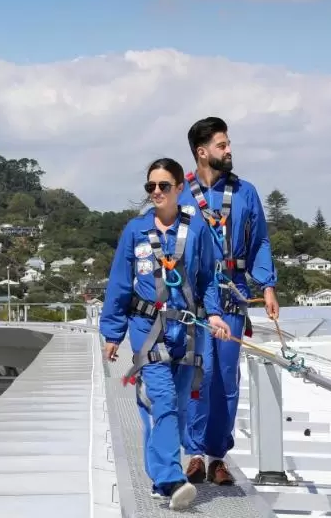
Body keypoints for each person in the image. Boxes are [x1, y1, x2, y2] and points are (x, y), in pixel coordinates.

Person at [101, 157, 232, 509]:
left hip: (187, 331)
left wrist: (215, 315)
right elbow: (118, 284)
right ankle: (173, 479)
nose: (156, 192)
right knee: (164, 403)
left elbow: (207, 278)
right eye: (150, 187)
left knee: (171, 410)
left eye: (163, 186)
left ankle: (159, 480)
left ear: (178, 188)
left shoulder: (196, 229)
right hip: (148, 329)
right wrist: (112, 333)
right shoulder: (135, 231)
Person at [180, 117, 278, 486]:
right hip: (191, 296)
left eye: (229, 143)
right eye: (222, 145)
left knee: (224, 378)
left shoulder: (245, 193)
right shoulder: (182, 193)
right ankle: (193, 455)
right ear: (202, 152)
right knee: (195, 376)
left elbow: (261, 242)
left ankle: (218, 455)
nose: (229, 150)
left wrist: (267, 285)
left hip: (233, 292)